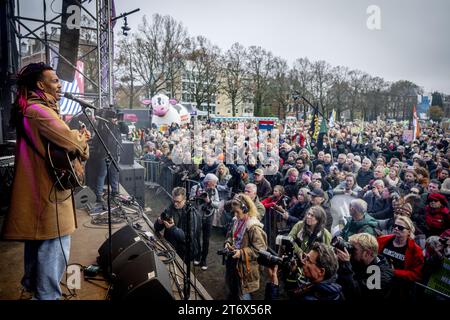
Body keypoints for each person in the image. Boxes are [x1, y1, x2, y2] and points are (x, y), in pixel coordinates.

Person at [3, 62, 90, 300]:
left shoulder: (31, 108)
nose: (60, 85)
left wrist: (74, 138)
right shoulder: (39, 111)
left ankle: (34, 290)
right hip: (47, 193)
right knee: (56, 246)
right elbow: (71, 142)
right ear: (40, 85)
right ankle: (47, 296)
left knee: (39, 242)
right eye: (54, 81)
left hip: (40, 190)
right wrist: (81, 139)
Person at [223, 194, 268, 300]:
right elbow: (230, 235)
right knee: (232, 290)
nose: (235, 214)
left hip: (245, 268)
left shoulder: (254, 228)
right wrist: (228, 243)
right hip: (233, 264)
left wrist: (242, 253)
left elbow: (260, 250)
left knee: (243, 294)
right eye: (234, 212)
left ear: (246, 209)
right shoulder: (237, 221)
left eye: (237, 212)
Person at [266, 243, 342, 300]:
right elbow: (294, 295)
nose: (303, 262)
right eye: (306, 257)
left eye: (308, 260)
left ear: (321, 271)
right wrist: (292, 273)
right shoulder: (329, 288)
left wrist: (273, 285)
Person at [336, 233, 394, 300]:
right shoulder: (359, 260)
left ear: (367, 253)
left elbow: (357, 293)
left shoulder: (381, 275)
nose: (351, 251)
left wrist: (346, 265)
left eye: (354, 249)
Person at [377, 215, 424, 298]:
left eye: (400, 228)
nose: (396, 229)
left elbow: (416, 275)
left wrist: (393, 271)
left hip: (399, 288)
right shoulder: (382, 240)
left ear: (409, 232)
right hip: (377, 281)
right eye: (395, 226)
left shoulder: (416, 250)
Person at [154, 187, 200, 261]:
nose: (175, 204)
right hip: (170, 246)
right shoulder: (170, 208)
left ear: (184, 200)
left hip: (184, 251)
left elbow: (188, 237)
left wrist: (172, 228)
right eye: (174, 201)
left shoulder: (191, 213)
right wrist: (159, 222)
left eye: (178, 201)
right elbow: (157, 228)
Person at [92, 109, 124, 204]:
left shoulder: (116, 126)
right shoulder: (102, 127)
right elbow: (95, 141)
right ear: (109, 118)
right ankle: (99, 195)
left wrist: (121, 121)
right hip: (104, 154)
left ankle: (114, 192)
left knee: (114, 174)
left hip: (113, 154)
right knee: (102, 174)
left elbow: (125, 130)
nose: (115, 119)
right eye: (114, 118)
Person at [190, 173, 220, 270]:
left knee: (206, 239)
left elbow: (217, 204)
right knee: (196, 236)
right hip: (198, 215)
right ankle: (197, 256)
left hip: (209, 215)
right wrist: (197, 196)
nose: (215, 185)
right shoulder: (196, 187)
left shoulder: (215, 190)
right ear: (208, 182)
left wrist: (209, 201)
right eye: (214, 183)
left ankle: (204, 259)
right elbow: (190, 200)